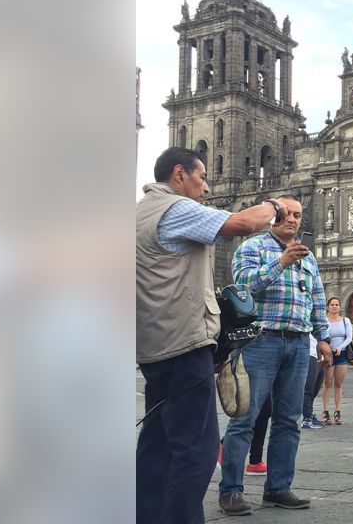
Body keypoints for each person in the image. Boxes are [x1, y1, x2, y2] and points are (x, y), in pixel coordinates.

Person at [136, 147, 286, 524]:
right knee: (196, 449)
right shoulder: (175, 209)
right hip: (183, 345)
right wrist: (274, 205)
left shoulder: (137, 213)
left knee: (157, 444)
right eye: (201, 179)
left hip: (154, 345)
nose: (205, 188)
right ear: (179, 175)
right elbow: (243, 223)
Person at [217, 196, 333, 515]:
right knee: (245, 418)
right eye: (287, 214)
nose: (293, 220)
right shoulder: (252, 247)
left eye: (298, 215)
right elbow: (244, 286)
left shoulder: (307, 257)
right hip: (260, 341)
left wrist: (322, 337)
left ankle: (278, 488)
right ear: (274, 216)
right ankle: (230, 491)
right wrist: (280, 262)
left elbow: (317, 297)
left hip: (298, 343)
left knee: (288, 420)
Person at [321, 297, 353, 425]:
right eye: (332, 304)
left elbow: (349, 337)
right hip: (328, 354)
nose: (334, 306)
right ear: (328, 307)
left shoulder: (345, 321)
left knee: (339, 384)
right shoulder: (324, 321)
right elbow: (321, 335)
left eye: (336, 304)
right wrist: (327, 346)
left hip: (342, 354)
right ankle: (325, 411)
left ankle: (338, 411)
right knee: (327, 383)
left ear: (340, 307)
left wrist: (340, 348)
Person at [301, 333, 326, 429]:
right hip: (310, 354)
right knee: (309, 388)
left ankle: (309, 414)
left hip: (320, 356)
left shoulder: (322, 325)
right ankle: (307, 418)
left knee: (315, 389)